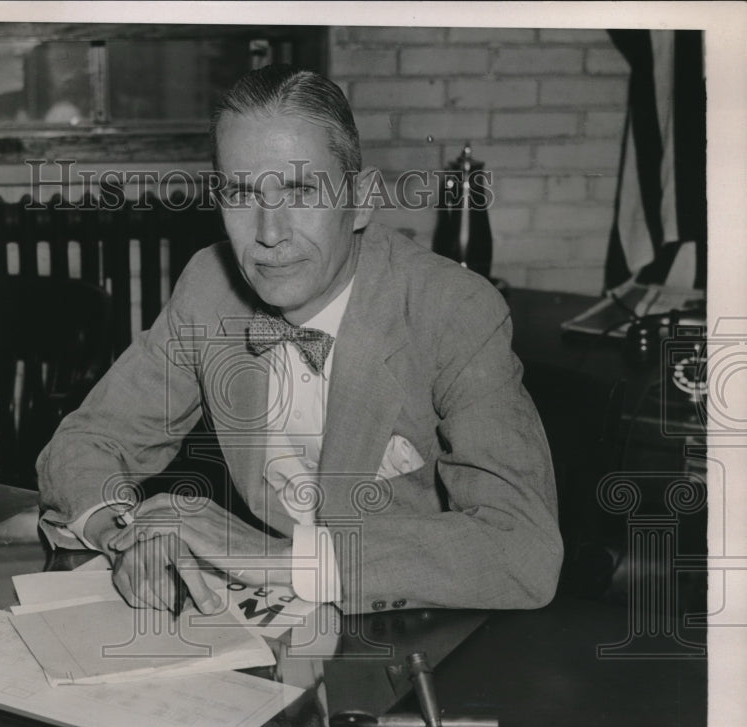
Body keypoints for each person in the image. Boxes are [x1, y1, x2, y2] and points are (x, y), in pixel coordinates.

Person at [36, 64, 563, 616]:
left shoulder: (453, 309)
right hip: (274, 633)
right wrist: (126, 535)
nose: (269, 233)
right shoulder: (210, 287)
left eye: (301, 190)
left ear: (360, 200)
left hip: (417, 630)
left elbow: (523, 550)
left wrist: (273, 559)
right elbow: (87, 441)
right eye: (242, 194)